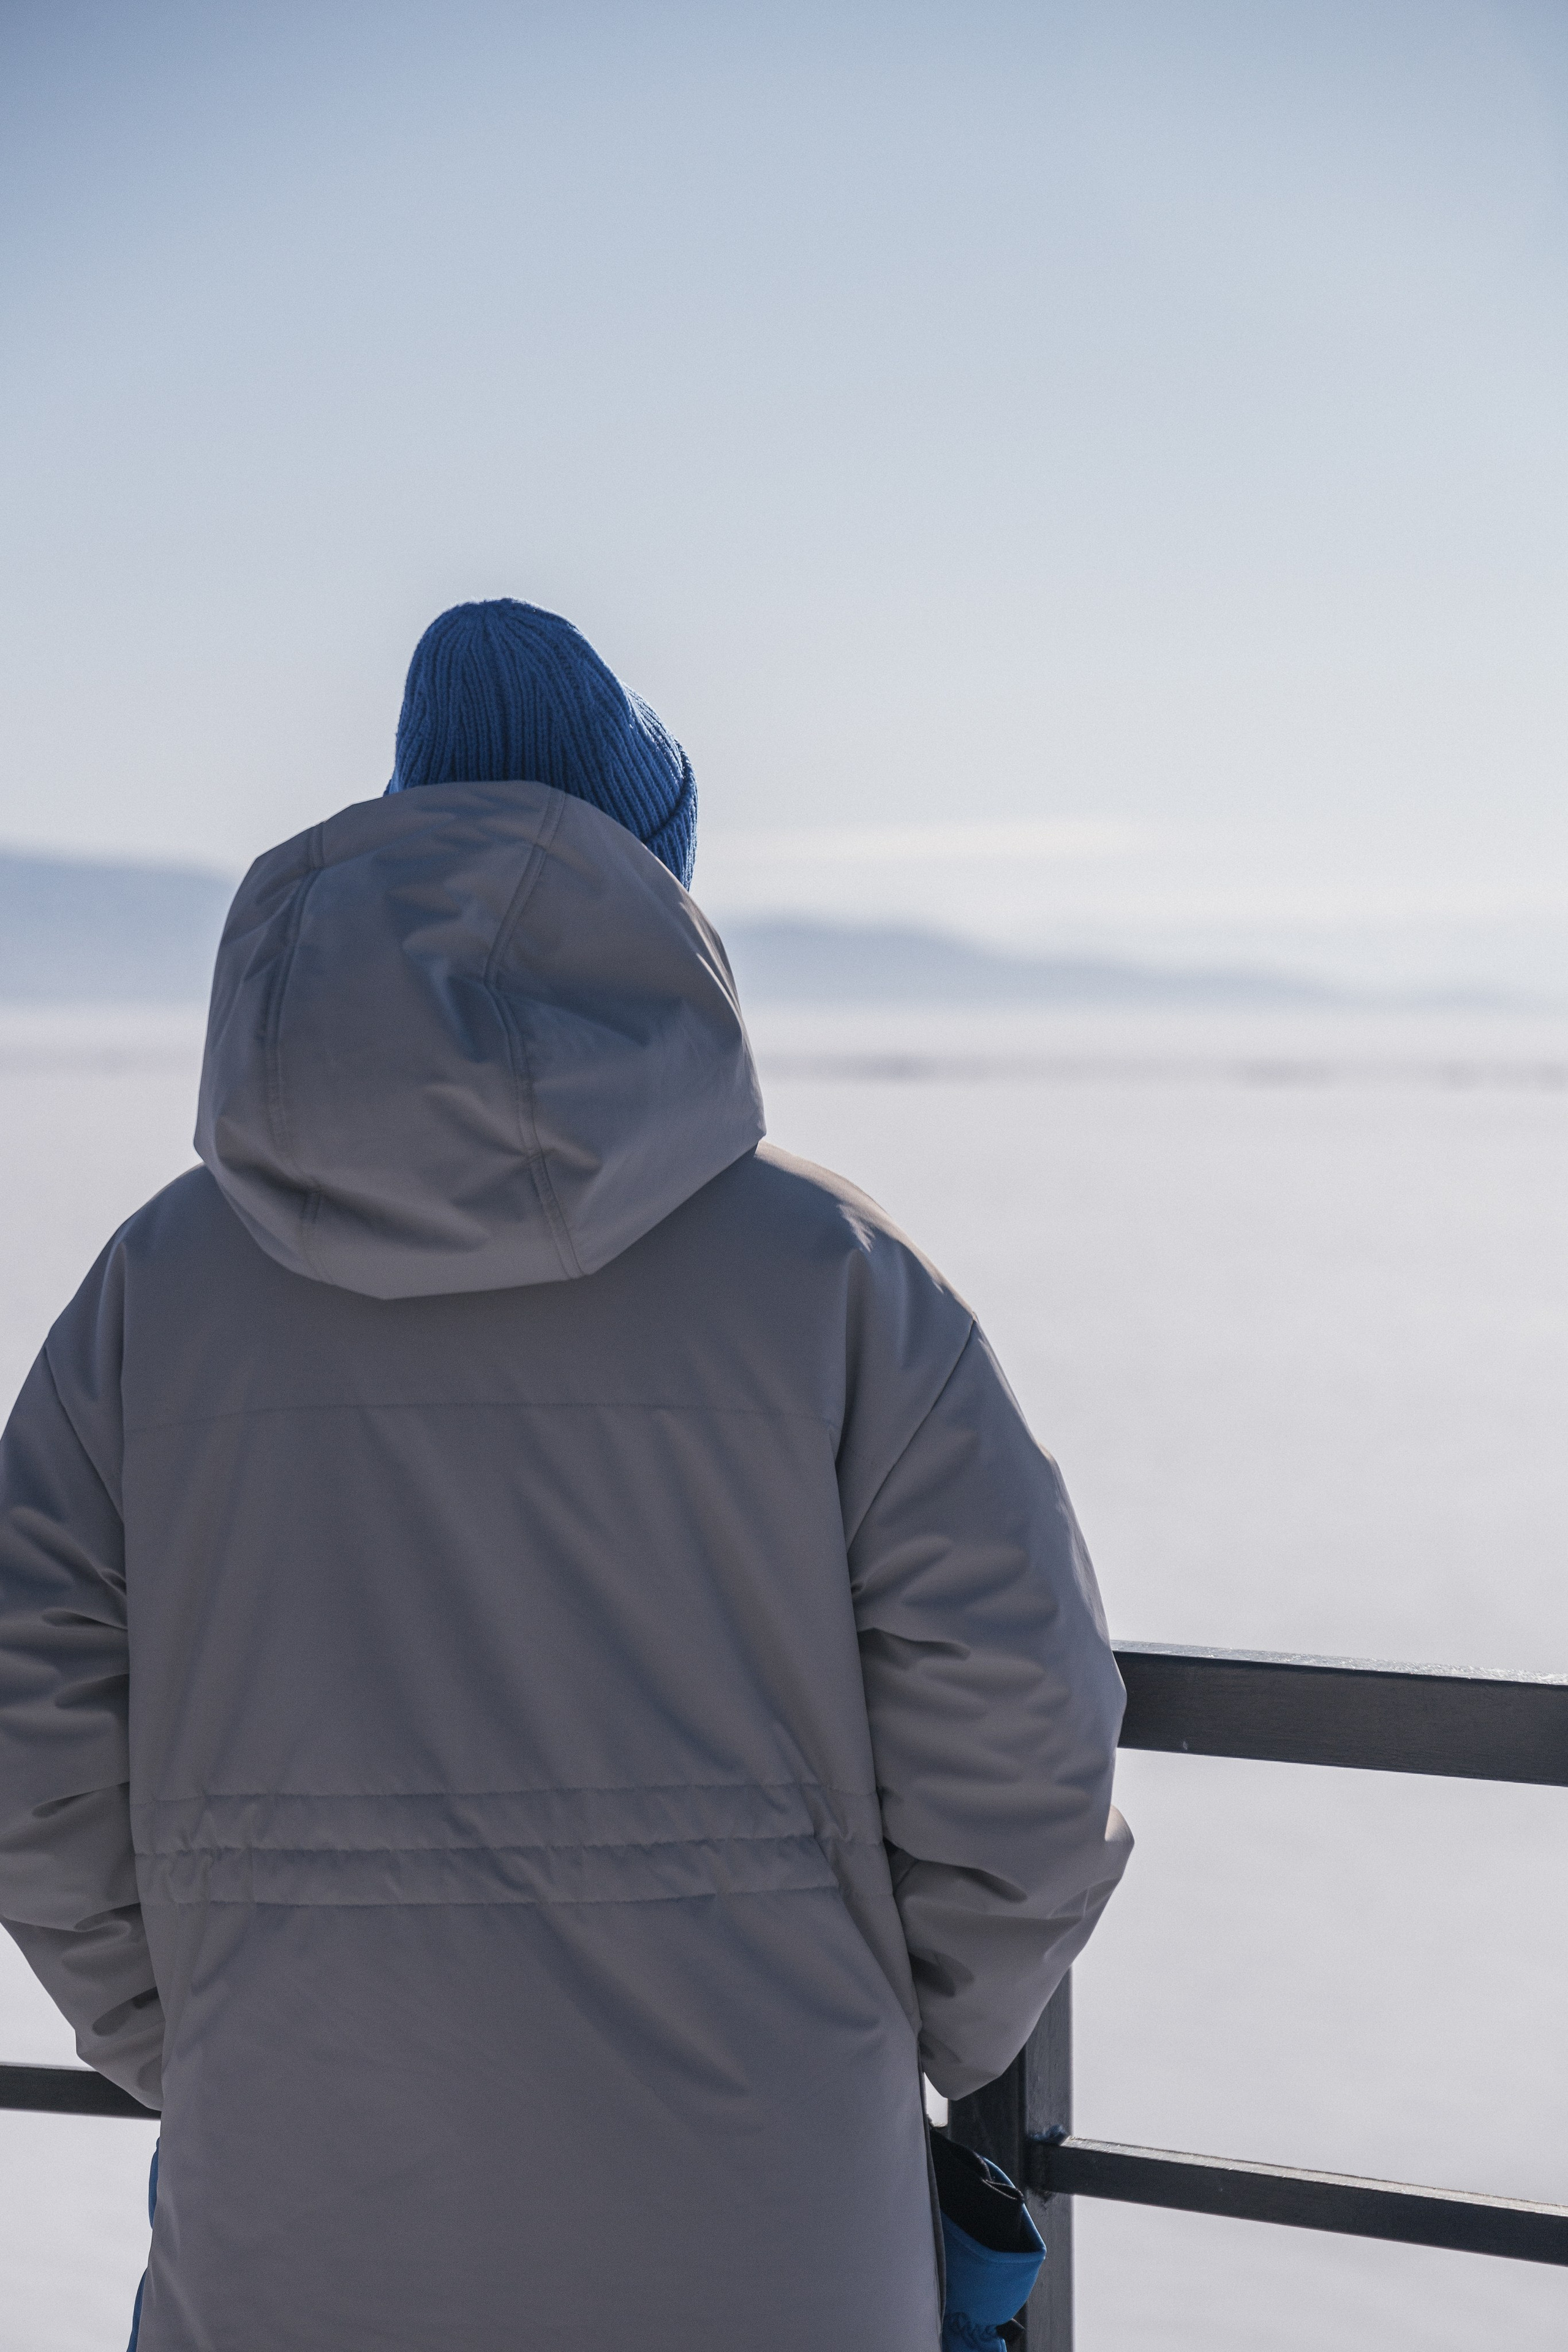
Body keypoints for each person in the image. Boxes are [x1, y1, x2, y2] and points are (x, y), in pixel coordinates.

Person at [0, 600, 1131, 2351]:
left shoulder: (153, 1296)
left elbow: (25, 1725)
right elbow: (1026, 1727)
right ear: (657, 906)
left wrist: (199, 2035)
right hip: (770, 2236)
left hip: (291, 2224)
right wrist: (890, 2023)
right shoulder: (830, 1279)